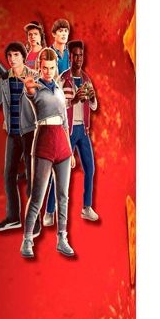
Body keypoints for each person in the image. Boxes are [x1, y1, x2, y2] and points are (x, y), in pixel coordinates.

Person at [19, 48, 76, 260]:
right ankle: (27, 240)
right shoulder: (36, 88)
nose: (48, 71)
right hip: (43, 143)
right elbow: (30, 94)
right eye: (45, 68)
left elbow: (65, 121)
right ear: (39, 67)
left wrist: (70, 151)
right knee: (37, 196)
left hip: (62, 146)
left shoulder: (59, 90)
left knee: (63, 196)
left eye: (52, 68)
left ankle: (62, 238)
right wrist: (28, 88)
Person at [0, 43, 37, 233]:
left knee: (32, 178)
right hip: (13, 133)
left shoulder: (33, 75)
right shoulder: (5, 78)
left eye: (16, 54)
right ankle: (13, 217)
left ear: (23, 57)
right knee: (9, 175)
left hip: (30, 132)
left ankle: (34, 221)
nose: (12, 59)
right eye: (9, 55)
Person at [63, 39, 99, 221]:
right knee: (61, 172)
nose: (78, 59)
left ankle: (87, 207)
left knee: (90, 169)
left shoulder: (86, 79)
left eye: (81, 55)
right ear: (69, 57)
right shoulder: (63, 79)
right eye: (75, 55)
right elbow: (58, 107)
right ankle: (51, 211)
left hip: (83, 130)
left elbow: (94, 107)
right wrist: (74, 100)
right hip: (68, 131)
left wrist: (92, 98)